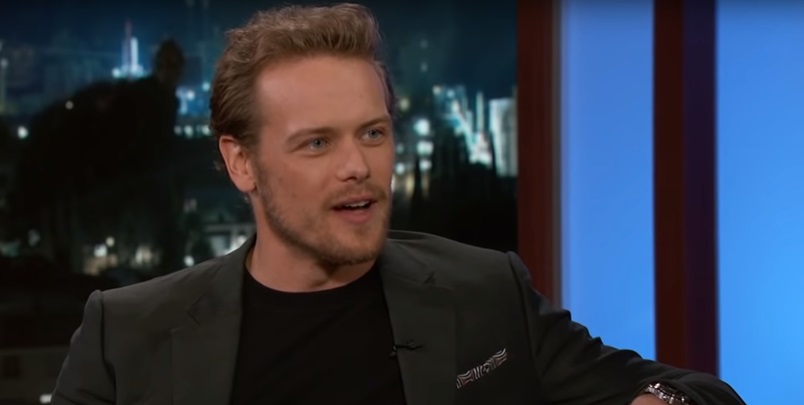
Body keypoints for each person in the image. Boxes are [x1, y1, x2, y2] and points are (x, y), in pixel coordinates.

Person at [52, 4, 745, 405]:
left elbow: (699, 391)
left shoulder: (484, 293)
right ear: (241, 163)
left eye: (373, 133)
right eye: (317, 142)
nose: (358, 166)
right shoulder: (127, 336)